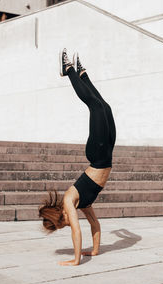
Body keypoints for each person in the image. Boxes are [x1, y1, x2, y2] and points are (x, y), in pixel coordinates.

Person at [39, 48, 116, 266]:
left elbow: (76, 230)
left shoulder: (69, 202)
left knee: (96, 108)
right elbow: (94, 225)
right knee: (105, 108)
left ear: (57, 220)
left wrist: (75, 259)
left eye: (56, 226)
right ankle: (83, 75)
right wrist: (95, 250)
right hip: (106, 155)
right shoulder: (83, 204)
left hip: (98, 156)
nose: (61, 227)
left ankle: (69, 70)